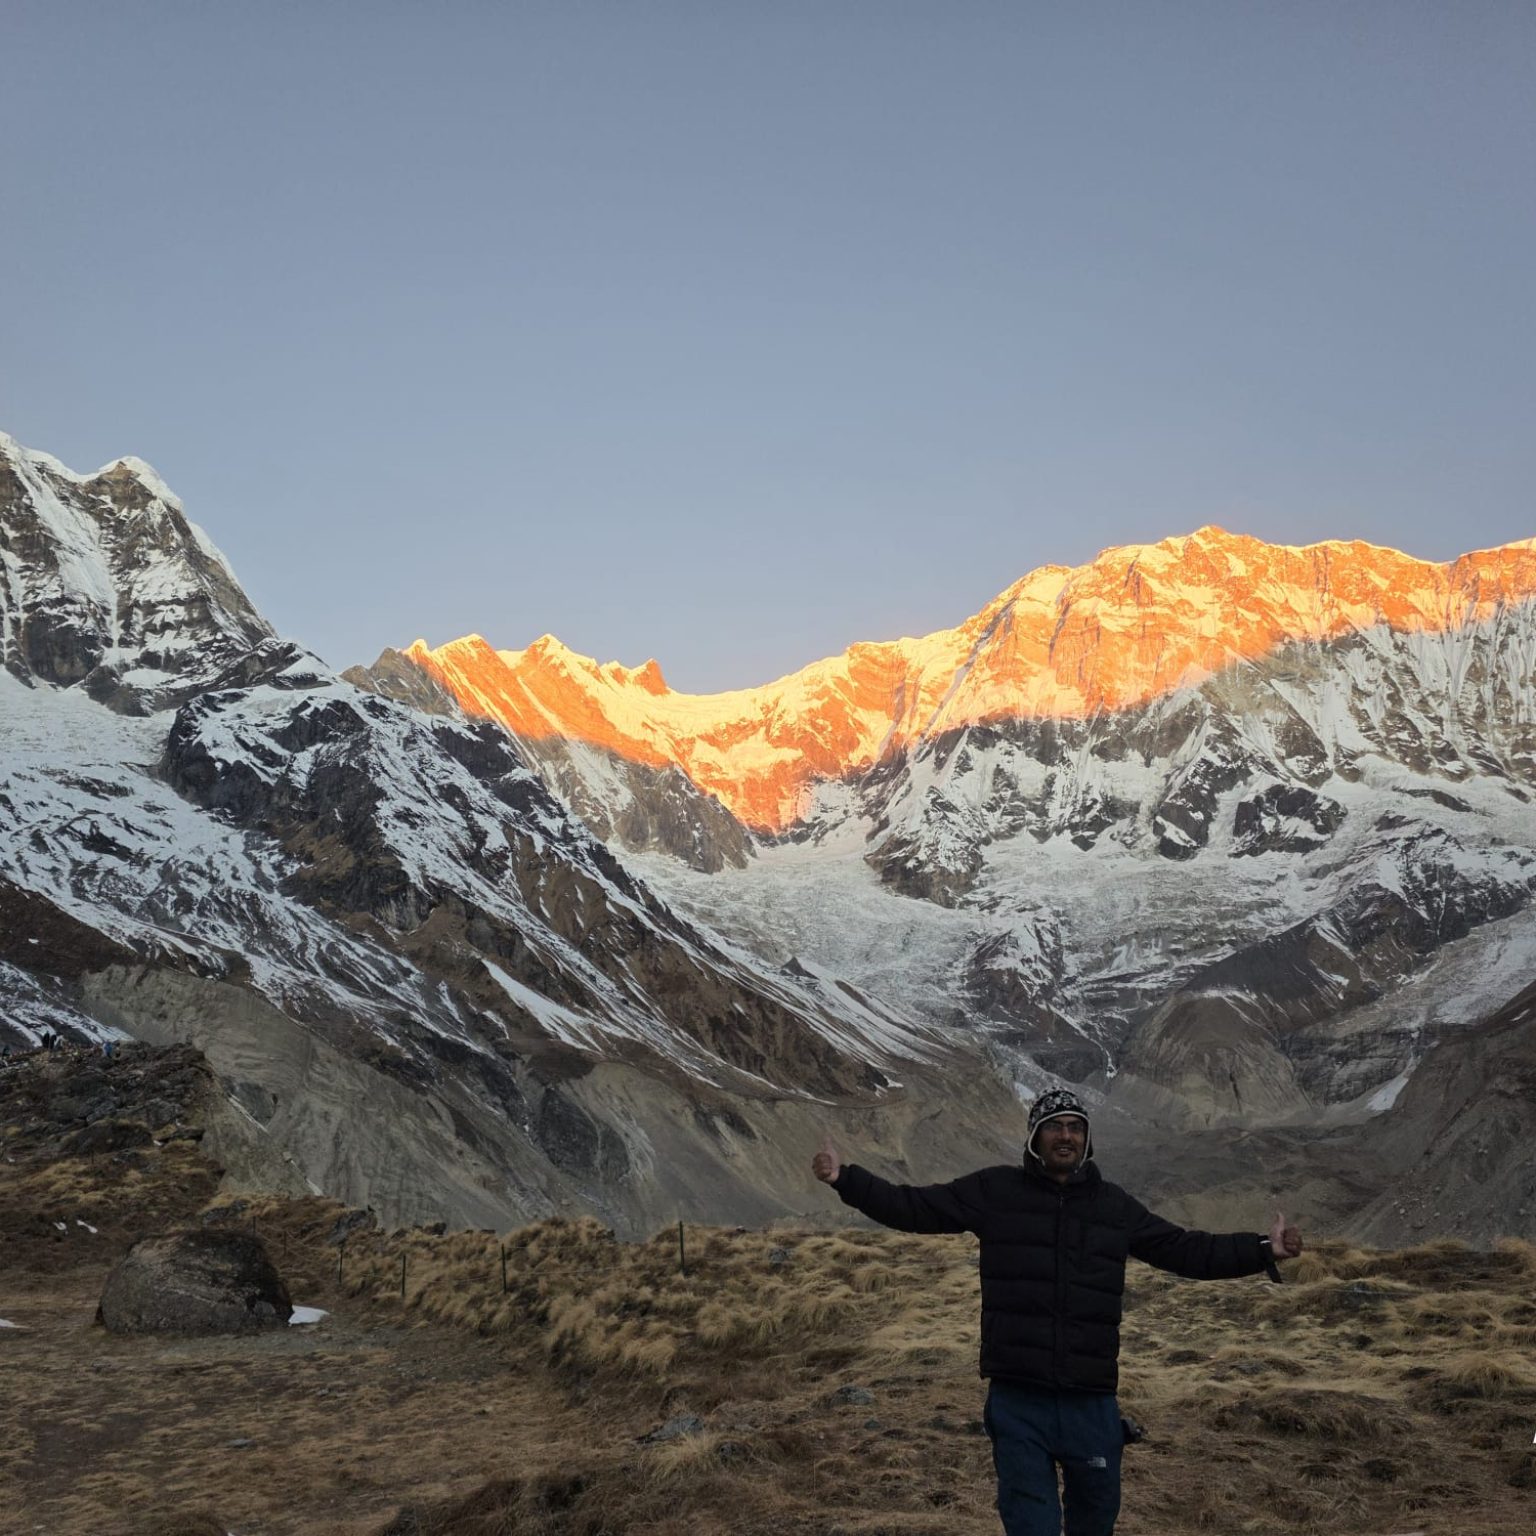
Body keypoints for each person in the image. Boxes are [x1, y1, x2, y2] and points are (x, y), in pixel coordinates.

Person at [812, 1087, 1303, 1536]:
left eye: (1075, 1127)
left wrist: (1262, 1249)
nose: (1064, 1136)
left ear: (1086, 1141)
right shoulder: (995, 1193)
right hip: (1018, 1399)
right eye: (1053, 1126)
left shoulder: (1114, 1207)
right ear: (1034, 1137)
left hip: (1090, 1403)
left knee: (1095, 1523)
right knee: (1032, 1526)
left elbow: (1185, 1250)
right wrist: (846, 1180)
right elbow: (914, 1208)